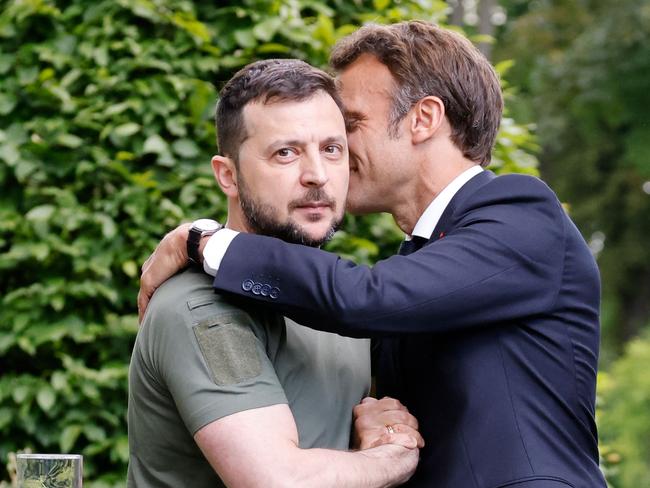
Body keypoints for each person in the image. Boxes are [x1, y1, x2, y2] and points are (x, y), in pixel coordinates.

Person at [138, 21, 607, 488]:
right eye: (287, 152)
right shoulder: (421, 261)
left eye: (350, 127)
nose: (325, 166)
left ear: (422, 120)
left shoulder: (521, 212)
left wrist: (202, 241)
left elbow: (366, 297)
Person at [128, 58, 423, 488]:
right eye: (285, 153)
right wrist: (393, 456)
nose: (317, 176)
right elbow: (278, 482)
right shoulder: (203, 308)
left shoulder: (336, 298)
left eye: (331, 149)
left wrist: (377, 429)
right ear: (227, 175)